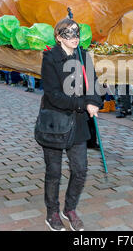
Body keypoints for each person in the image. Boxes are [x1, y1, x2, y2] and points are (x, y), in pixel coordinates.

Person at [41, 17, 102, 231]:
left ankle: (70, 208)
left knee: (80, 169)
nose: (74, 38)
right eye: (68, 34)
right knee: (54, 172)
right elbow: (53, 94)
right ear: (58, 37)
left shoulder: (84, 56)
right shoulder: (50, 58)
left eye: (76, 33)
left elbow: (94, 85)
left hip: (78, 124)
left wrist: (94, 101)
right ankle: (52, 212)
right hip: (55, 123)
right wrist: (84, 104)